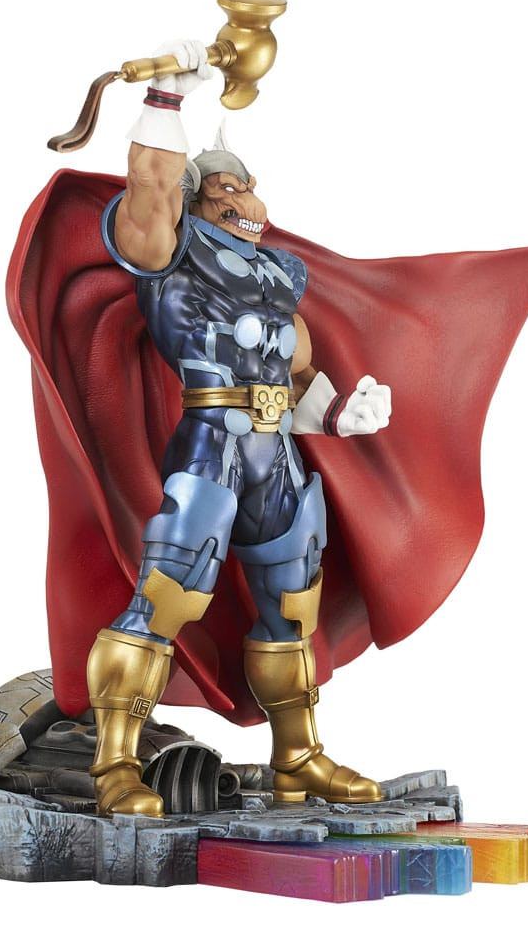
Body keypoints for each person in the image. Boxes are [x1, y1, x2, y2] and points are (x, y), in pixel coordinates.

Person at [86, 40, 393, 818]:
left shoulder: (276, 277)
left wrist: (339, 414)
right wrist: (166, 100)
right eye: (228, 189)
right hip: (211, 446)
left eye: (249, 186)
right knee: (170, 592)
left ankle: (298, 758)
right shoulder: (170, 250)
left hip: (274, 452)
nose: (248, 200)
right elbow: (149, 186)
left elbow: (293, 376)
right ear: (200, 200)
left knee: (293, 602)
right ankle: (115, 764)